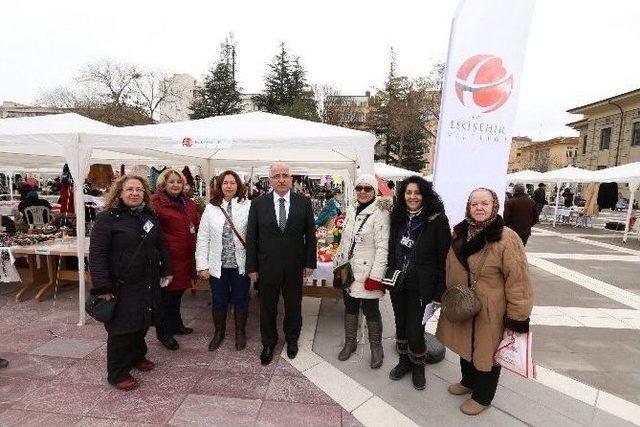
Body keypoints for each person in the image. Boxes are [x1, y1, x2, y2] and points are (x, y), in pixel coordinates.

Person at [436, 188, 533, 415]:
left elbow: (518, 280)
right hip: (464, 304)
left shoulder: (506, 237)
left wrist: (517, 317)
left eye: (485, 203)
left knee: (488, 353)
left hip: (492, 309)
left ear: (495, 206)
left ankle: (483, 396)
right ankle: (468, 381)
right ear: (468, 207)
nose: (479, 208)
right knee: (464, 344)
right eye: (474, 204)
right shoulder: (460, 232)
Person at [89, 175, 172, 391]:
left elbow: (161, 245)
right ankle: (117, 373)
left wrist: (167, 269)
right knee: (121, 328)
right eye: (129, 189)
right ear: (119, 192)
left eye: (139, 190)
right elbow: (97, 254)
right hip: (121, 284)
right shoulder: (107, 218)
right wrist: (103, 286)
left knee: (143, 321)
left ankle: (137, 356)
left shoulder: (149, 216)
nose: (134, 193)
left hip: (148, 282)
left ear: (145, 194)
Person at [246, 163, 317, 365]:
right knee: (267, 307)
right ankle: (268, 343)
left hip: (295, 265)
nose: (281, 179)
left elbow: (310, 235)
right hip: (267, 266)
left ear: (292, 179)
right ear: (270, 180)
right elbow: (252, 237)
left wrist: (310, 262)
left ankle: (292, 340)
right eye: (276, 175)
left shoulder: (303, 202)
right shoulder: (258, 204)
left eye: (285, 175)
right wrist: (252, 267)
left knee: (294, 306)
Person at [387, 176, 451, 390]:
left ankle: (418, 367)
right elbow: (390, 247)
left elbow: (444, 258)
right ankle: (404, 362)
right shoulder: (397, 216)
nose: (412, 197)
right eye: (408, 192)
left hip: (423, 286)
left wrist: (440, 292)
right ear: (402, 195)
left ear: (424, 195)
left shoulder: (437, 220)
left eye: (417, 193)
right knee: (401, 326)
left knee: (415, 330)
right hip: (399, 283)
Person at [334, 174, 390, 369]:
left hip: (368, 272)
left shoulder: (380, 213)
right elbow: (345, 241)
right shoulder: (351, 209)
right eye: (359, 188)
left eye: (367, 188)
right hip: (350, 269)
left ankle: (376, 347)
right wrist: (338, 264)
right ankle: (350, 342)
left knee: (370, 310)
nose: (363, 192)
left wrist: (376, 277)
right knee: (350, 307)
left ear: (375, 191)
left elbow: (383, 248)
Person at [196, 170, 251, 351]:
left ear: (238, 185)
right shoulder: (211, 208)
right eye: (225, 183)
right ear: (220, 186)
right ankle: (218, 333)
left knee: (241, 299)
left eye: (232, 183)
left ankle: (240, 332)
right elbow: (203, 238)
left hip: (240, 265)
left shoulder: (248, 205)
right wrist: (202, 265)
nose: (228, 186)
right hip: (217, 265)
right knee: (219, 300)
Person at [150, 169, 199, 350]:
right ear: (163, 184)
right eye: (171, 181)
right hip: (168, 259)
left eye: (179, 182)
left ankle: (176, 324)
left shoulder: (188, 203)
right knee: (165, 297)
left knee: (178, 294)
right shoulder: (155, 203)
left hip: (186, 257)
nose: (176, 185)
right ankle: (164, 333)